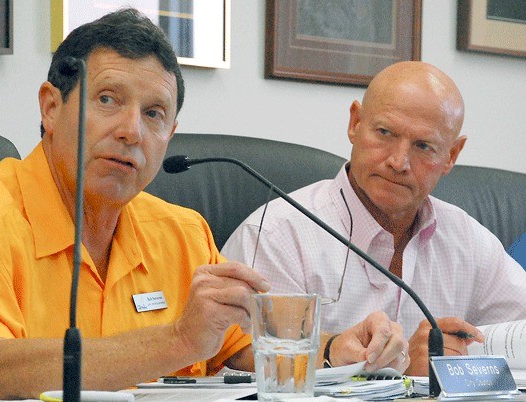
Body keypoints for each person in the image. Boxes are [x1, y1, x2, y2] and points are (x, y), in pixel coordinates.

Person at [0, 9, 408, 400]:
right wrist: (177, 340)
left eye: (153, 114)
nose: (131, 131)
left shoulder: (181, 231)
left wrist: (333, 351)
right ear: (51, 107)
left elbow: (241, 350)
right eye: (108, 99)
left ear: (169, 135)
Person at [222, 61, 526, 376]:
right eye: (384, 133)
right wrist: (394, 368)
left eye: (423, 146)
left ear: (451, 155)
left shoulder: (470, 242)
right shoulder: (276, 234)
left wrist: (456, 366)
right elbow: (239, 361)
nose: (398, 162)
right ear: (355, 122)